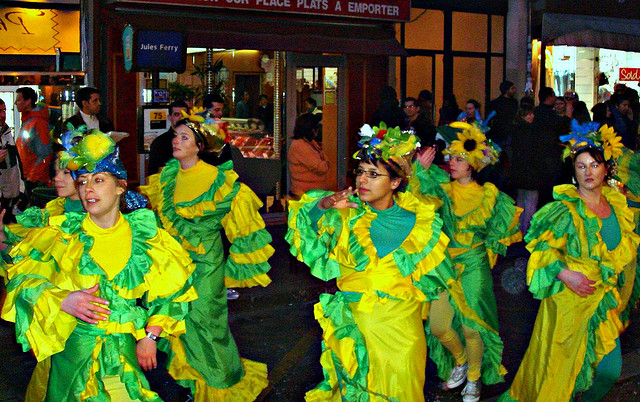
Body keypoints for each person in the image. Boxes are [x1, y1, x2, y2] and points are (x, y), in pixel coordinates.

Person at [1, 130, 197, 400]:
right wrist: (62, 300)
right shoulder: (62, 235)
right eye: (82, 182)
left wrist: (150, 338)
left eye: (98, 180)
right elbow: (22, 282)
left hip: (124, 359)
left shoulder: (147, 235)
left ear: (120, 186)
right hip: (73, 362)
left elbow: (173, 291)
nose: (88, 188)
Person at [287, 123, 457, 401]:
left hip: (403, 331)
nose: (362, 181)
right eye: (361, 172)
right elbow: (303, 228)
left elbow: (433, 279)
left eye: (373, 174)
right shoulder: (347, 212)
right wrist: (325, 205)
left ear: (394, 182)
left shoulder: (421, 222)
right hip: (356, 328)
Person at [139, 109, 273, 401]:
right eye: (176, 135)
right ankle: (193, 382)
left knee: (207, 326)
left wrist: (236, 271)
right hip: (174, 268)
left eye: (184, 137)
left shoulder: (219, 180)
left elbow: (245, 229)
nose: (176, 141)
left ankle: (221, 384)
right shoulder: (167, 177)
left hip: (206, 267)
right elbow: (157, 223)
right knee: (179, 326)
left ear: (199, 146)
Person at [500, 123, 639, 401]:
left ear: (606, 169)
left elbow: (620, 255)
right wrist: (564, 273)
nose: (588, 172)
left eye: (594, 165)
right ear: (573, 173)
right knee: (554, 376)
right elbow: (541, 248)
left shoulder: (618, 205)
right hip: (567, 303)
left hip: (601, 303)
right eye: (581, 166)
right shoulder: (563, 209)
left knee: (608, 371)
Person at [411, 121, 522, 402]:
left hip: (474, 264)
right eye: (451, 157)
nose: (452, 162)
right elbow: (416, 199)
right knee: (438, 325)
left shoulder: (489, 196)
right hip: (445, 264)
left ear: (472, 164)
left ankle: (474, 377)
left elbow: (499, 235)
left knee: (473, 327)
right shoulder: (443, 190)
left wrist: (487, 256)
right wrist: (418, 171)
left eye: (459, 159)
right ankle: (460, 361)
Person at [509, 104, 542, 232]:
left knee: (521, 200)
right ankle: (527, 229)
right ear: (524, 115)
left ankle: (518, 229)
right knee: (531, 201)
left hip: (518, 169)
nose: (532, 116)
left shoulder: (515, 130)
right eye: (529, 114)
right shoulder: (532, 131)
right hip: (531, 170)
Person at [14, 87, 53, 193]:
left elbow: (46, 152)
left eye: (18, 100)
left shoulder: (38, 122)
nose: (15, 103)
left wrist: (33, 177)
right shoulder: (30, 121)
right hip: (28, 177)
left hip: (34, 180)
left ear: (28, 101)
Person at [288, 113, 329, 199]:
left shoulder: (309, 142)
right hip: (305, 195)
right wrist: (326, 162)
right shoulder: (300, 146)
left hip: (313, 193)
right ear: (312, 130)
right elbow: (322, 168)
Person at [148, 100, 189, 175]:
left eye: (183, 115)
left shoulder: (195, 140)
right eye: (177, 114)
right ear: (169, 117)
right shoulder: (160, 142)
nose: (181, 118)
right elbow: (154, 172)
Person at [0, 98, 23, 224]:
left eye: (4, 111)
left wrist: (20, 188)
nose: (2, 115)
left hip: (9, 195)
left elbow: (16, 162)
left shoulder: (6, 131)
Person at [202, 93, 233, 166]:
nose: (220, 113)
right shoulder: (200, 129)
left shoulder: (220, 126)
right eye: (216, 110)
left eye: (221, 110)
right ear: (205, 110)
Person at [487, 80, 518, 148]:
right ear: (507, 90)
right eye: (512, 88)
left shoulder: (514, 102)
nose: (515, 90)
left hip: (509, 132)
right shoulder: (496, 103)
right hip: (499, 133)